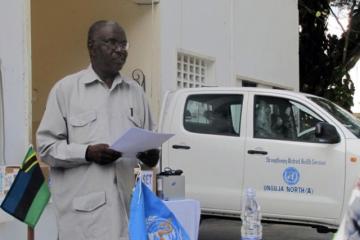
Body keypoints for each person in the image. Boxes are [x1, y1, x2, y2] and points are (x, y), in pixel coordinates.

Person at [36, 20, 159, 240]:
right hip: (83, 221)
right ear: (92, 47)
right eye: (112, 43)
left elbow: (149, 145)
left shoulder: (135, 92)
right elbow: (46, 148)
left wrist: (150, 155)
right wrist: (86, 153)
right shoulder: (66, 90)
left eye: (124, 44)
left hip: (127, 215)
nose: (120, 50)